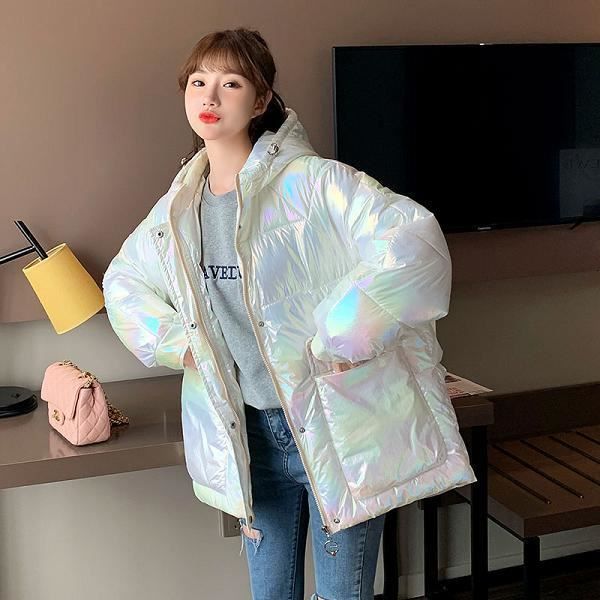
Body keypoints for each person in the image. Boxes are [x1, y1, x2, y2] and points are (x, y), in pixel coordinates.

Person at [102, 27, 476, 600]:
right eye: (198, 82)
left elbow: (416, 243)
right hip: (249, 434)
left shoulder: (316, 183)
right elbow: (123, 284)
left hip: (335, 428)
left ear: (260, 100)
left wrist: (340, 336)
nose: (210, 96)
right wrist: (186, 346)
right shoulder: (177, 210)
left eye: (231, 83)